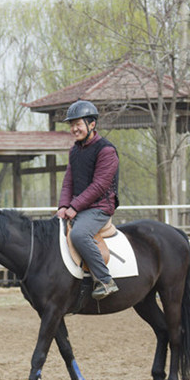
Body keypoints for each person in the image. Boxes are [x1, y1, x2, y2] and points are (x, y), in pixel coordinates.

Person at [56, 100, 120, 300]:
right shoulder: (75, 150)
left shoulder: (106, 151)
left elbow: (99, 185)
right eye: (72, 125)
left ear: (92, 124)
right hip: (80, 207)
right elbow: (68, 182)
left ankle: (105, 280)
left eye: (78, 124)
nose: (74, 129)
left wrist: (74, 206)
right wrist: (63, 205)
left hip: (100, 207)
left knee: (79, 235)